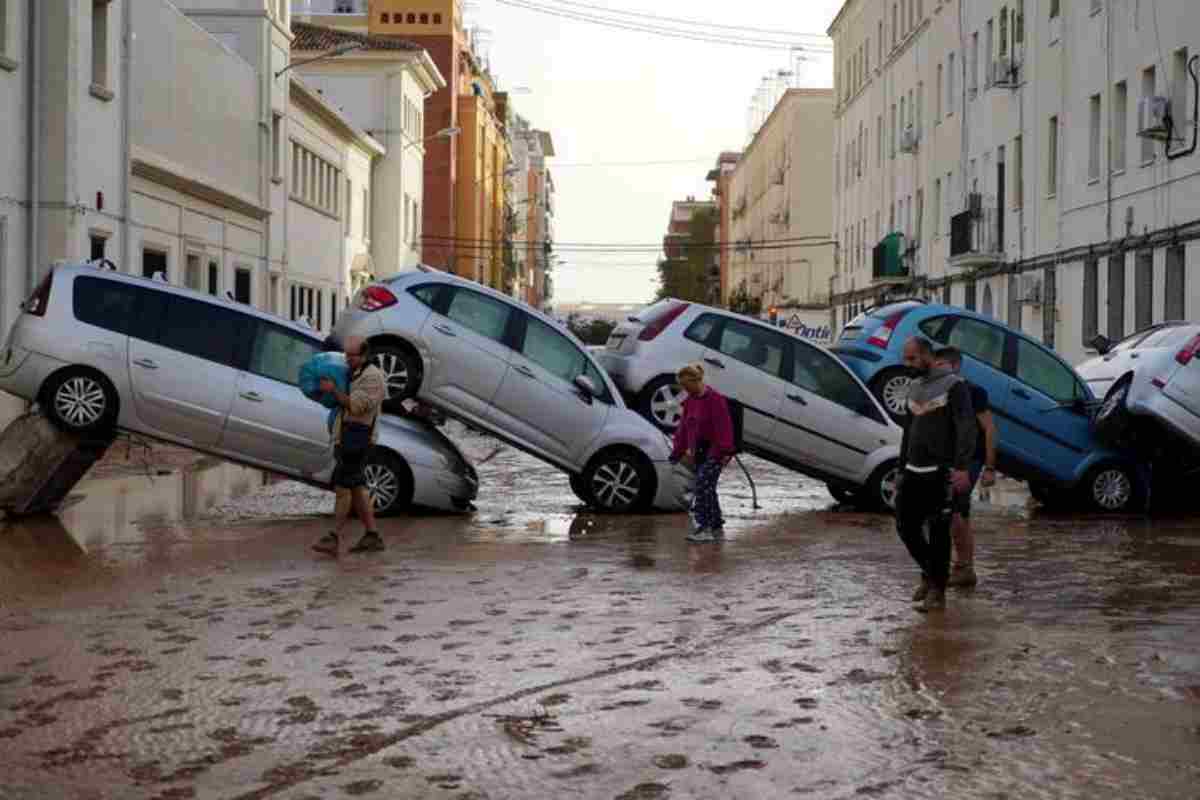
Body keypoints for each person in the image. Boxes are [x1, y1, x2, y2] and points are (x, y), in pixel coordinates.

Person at [895, 336, 977, 612]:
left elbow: (967, 428)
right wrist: (900, 469)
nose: (906, 364)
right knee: (905, 527)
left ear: (927, 356)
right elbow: (908, 432)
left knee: (940, 532)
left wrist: (963, 468)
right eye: (905, 359)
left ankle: (937, 592)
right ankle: (932, 575)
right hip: (912, 471)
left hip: (941, 472)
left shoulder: (955, 386)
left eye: (911, 359)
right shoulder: (914, 387)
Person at [312, 337, 388, 556]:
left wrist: (333, 389)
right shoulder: (355, 373)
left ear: (364, 355)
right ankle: (372, 536)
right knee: (356, 489)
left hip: (358, 441)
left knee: (343, 489)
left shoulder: (373, 377)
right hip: (347, 438)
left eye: (352, 356)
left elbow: (356, 406)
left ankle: (332, 537)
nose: (347, 359)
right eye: (346, 355)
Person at [934, 346, 997, 588]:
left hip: (969, 460)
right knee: (954, 514)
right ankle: (960, 567)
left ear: (956, 366)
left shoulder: (974, 392)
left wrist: (990, 468)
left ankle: (964, 568)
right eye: (935, 365)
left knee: (956, 512)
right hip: (947, 460)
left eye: (942, 365)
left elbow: (990, 429)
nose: (937, 370)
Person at [669, 363, 735, 544]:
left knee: (701, 486)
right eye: (683, 387)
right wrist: (677, 452)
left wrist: (724, 452)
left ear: (696, 381)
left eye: (687, 386)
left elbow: (724, 428)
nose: (685, 390)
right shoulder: (690, 401)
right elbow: (683, 429)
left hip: (717, 451)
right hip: (698, 452)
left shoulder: (716, 400)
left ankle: (704, 527)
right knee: (708, 489)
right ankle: (716, 527)